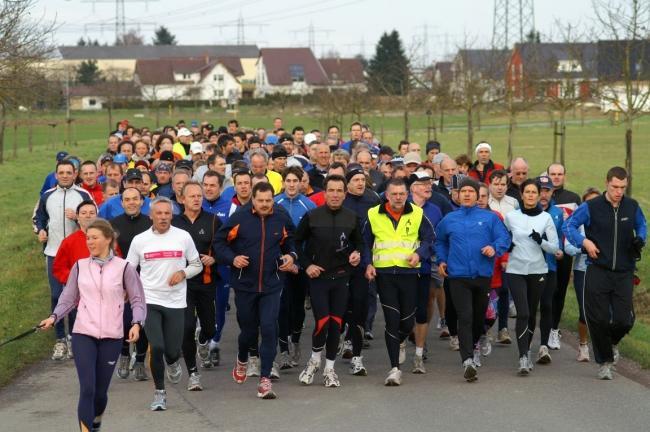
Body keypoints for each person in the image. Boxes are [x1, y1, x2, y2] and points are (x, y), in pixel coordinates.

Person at [39, 219, 145, 432]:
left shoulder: (124, 268)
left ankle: (96, 421)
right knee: (87, 388)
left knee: (99, 392)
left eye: (94, 238)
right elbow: (68, 299)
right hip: (83, 333)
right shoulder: (80, 266)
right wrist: (54, 317)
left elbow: (137, 299)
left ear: (108, 239)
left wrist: (136, 323)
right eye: (88, 238)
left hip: (112, 336)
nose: (89, 242)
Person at [216, 182, 297, 399]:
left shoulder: (281, 217)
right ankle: (242, 358)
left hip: (272, 283)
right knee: (249, 332)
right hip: (245, 285)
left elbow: (291, 241)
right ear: (253, 199)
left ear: (273, 199)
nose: (264, 204)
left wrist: (292, 256)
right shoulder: (240, 218)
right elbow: (219, 243)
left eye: (268, 200)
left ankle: (265, 380)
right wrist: (232, 258)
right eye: (260, 200)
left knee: (270, 327)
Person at [563, 167, 646, 380]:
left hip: (624, 271)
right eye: (615, 187)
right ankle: (605, 361)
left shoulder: (632, 206)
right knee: (598, 319)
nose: (619, 192)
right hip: (598, 269)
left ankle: (612, 343)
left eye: (623, 188)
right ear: (607, 183)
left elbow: (642, 225)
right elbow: (569, 226)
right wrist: (584, 241)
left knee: (624, 319)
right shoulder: (591, 207)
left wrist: (641, 239)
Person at [126, 196, 202, 411]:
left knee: (172, 350)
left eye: (167, 213)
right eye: (158, 213)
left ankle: (173, 361)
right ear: (151, 215)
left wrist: (183, 272)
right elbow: (129, 271)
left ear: (172, 215)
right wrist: (126, 291)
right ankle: (160, 393)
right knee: (156, 346)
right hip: (149, 299)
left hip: (176, 301)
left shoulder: (183, 237)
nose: (163, 217)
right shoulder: (140, 240)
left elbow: (197, 264)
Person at [435, 177, 510, 382]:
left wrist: (494, 248)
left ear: (478, 196)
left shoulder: (489, 218)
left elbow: (504, 238)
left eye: (471, 191)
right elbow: (440, 241)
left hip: (482, 276)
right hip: (458, 276)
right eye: (463, 191)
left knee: (478, 319)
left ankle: (475, 343)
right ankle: (467, 360)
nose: (467, 194)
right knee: (465, 316)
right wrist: (441, 260)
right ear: (457, 195)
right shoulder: (449, 219)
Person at [364, 178, 435, 386]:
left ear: (407, 195)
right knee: (392, 320)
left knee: (407, 322)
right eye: (394, 194)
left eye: (401, 194)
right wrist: (367, 264)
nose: (398, 198)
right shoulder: (373, 214)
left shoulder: (418, 214)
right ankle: (394, 368)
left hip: (409, 275)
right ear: (387, 195)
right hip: (385, 275)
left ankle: (401, 340)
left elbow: (430, 239)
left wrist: (419, 254)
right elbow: (364, 242)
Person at [295, 174, 364, 387]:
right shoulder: (312, 216)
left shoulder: (352, 217)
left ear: (345, 194)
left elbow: (360, 244)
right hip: (319, 279)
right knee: (322, 322)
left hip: (342, 278)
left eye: (339, 191)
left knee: (336, 325)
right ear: (324, 193)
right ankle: (315, 360)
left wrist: (357, 254)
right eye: (331, 190)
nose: (335, 195)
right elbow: (297, 244)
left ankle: (330, 369)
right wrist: (308, 266)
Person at [34, 159, 93, 360]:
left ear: (75, 174)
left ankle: (75, 337)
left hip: (78, 254)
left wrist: (77, 217)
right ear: (56, 174)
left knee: (77, 296)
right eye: (62, 172)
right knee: (57, 295)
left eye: (69, 172)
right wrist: (40, 230)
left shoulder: (83, 195)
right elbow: (38, 218)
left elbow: (94, 218)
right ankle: (59, 339)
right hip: (53, 252)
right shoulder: (47, 195)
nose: (65, 175)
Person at [504, 179, 560, 375]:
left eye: (533, 192)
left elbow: (555, 248)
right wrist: (506, 246)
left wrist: (541, 241)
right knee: (524, 313)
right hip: (515, 270)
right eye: (526, 192)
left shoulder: (546, 218)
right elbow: (503, 238)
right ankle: (522, 357)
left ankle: (526, 350)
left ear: (538, 196)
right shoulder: (510, 217)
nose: (530, 195)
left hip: (538, 270)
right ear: (521, 194)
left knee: (531, 311)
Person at [172, 181, 222, 391]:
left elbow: (224, 246)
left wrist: (215, 258)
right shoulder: (174, 223)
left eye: (199, 196)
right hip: (182, 284)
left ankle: (203, 340)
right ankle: (193, 373)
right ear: (182, 199)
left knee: (210, 328)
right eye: (191, 196)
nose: (196, 199)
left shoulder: (212, 221)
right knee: (186, 327)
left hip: (206, 281)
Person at [274, 166, 316, 368]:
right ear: (283, 183)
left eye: (295, 181)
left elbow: (311, 239)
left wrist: (300, 263)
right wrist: (282, 261)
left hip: (300, 266)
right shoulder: (274, 203)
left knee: (297, 306)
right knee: (282, 307)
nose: (291, 184)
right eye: (288, 181)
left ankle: (296, 340)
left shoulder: (309, 205)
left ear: (301, 183)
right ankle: (283, 351)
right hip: (279, 265)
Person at [110, 187, 152, 381]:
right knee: (125, 321)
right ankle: (125, 355)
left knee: (143, 322)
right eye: (127, 199)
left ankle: (141, 361)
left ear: (142, 201)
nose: (132, 202)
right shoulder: (113, 225)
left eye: (136, 199)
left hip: (147, 281)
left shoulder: (150, 224)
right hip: (121, 282)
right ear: (122, 203)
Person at [341, 165, 380, 367]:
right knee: (343, 303)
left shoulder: (373, 199)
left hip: (366, 257)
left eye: (362, 180)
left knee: (363, 301)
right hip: (343, 258)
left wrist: (371, 259)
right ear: (347, 183)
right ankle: (345, 335)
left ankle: (354, 338)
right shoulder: (342, 200)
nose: (360, 183)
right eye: (355, 180)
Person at [408, 172, 443, 374]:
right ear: (413, 188)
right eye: (423, 184)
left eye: (430, 183)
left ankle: (421, 341)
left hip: (430, 262)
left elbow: (441, 234)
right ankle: (409, 335)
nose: (428, 186)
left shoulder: (436, 209)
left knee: (427, 300)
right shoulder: (404, 207)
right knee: (407, 306)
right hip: (403, 265)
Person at [563, 187, 601, 362]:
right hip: (582, 270)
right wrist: (583, 247)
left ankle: (603, 345)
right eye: (589, 202)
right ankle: (583, 345)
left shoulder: (606, 222)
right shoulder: (577, 223)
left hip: (603, 271)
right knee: (585, 310)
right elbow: (568, 247)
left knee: (603, 311)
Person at [547, 162, 581, 350]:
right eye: (553, 173)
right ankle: (544, 326)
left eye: (560, 174)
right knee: (545, 291)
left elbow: (580, 224)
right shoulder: (542, 196)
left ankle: (554, 328)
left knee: (559, 291)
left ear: (564, 176)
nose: (556, 177)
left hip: (565, 252)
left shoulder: (573, 198)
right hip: (545, 253)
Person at [536, 176, 565, 365]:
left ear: (552, 192)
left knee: (547, 304)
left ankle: (544, 345)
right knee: (530, 309)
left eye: (547, 190)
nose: (543, 194)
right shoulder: (525, 211)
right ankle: (525, 345)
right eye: (541, 190)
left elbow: (561, 237)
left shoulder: (558, 213)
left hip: (550, 267)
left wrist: (560, 250)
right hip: (529, 267)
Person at [52, 200, 97, 286]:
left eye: (92, 213)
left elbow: (116, 261)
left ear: (96, 216)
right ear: (78, 217)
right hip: (77, 289)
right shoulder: (68, 242)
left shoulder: (106, 238)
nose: (88, 216)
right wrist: (75, 280)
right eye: (83, 213)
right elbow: (59, 268)